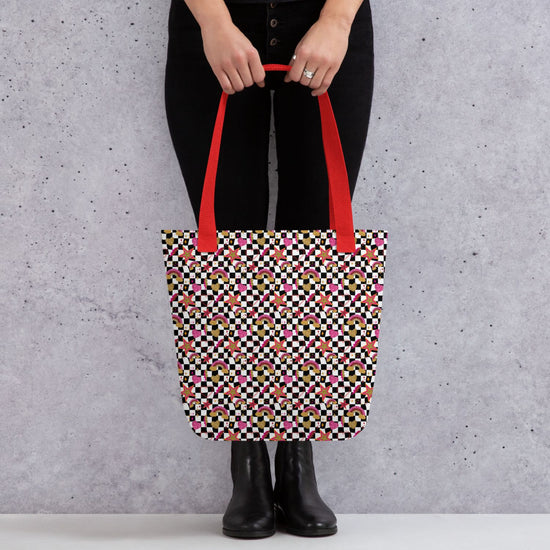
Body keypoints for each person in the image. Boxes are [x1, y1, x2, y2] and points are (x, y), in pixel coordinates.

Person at [164, 0, 374, 539]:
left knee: (317, 251)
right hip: (214, 23)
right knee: (228, 247)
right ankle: (248, 464)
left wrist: (337, 20)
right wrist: (213, 22)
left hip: (328, 21)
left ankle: (297, 461)